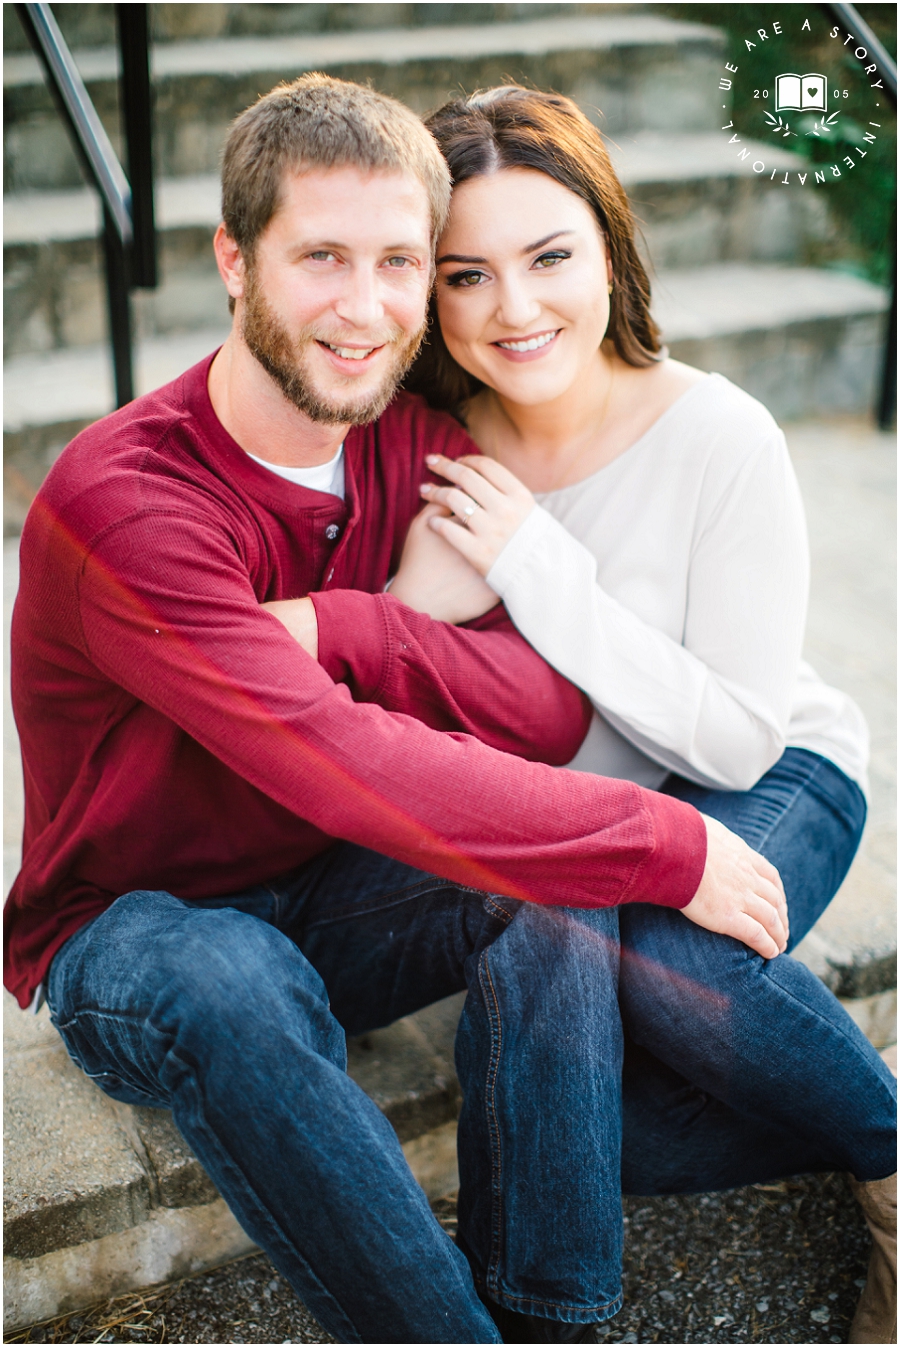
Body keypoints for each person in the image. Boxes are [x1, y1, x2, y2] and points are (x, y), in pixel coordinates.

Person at [4, 74, 794, 1345]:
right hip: (135, 931)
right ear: (234, 260)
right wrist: (671, 840)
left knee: (544, 884)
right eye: (320, 256)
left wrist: (368, 624)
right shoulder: (127, 503)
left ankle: (554, 1316)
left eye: (399, 263)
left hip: (329, 890)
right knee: (233, 976)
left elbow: (537, 707)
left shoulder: (418, 442)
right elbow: (331, 756)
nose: (365, 309)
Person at [372, 85, 894, 1343]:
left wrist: (541, 567)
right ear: (430, 296)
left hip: (772, 771)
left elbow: (729, 736)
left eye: (550, 256)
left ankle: (892, 1168)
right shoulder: (427, 450)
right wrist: (409, 600)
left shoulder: (720, 434)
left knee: (670, 955)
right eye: (467, 275)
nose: (516, 308)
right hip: (587, 833)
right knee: (600, 1126)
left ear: (608, 241)